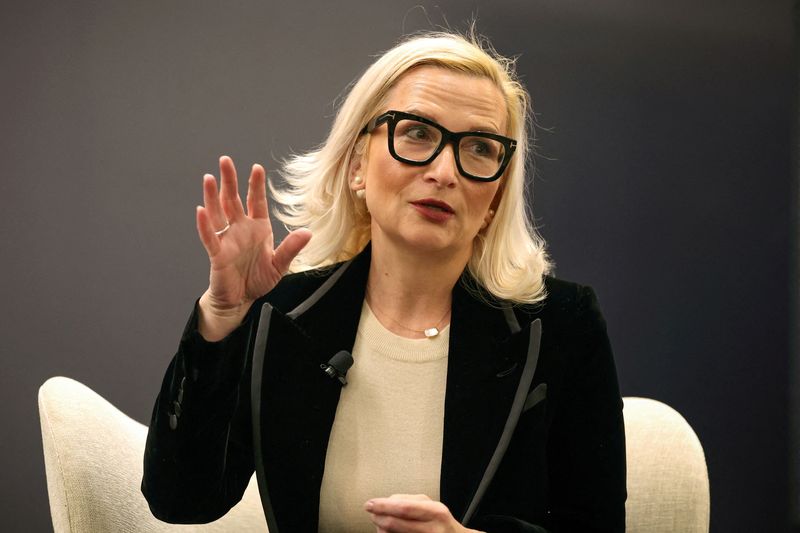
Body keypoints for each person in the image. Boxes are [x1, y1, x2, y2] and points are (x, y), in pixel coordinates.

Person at [142, 30, 626, 533]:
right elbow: (181, 500)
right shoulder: (282, 313)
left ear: (496, 196)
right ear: (358, 165)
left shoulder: (563, 325)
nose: (444, 171)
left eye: (480, 148)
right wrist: (223, 316)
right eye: (417, 133)